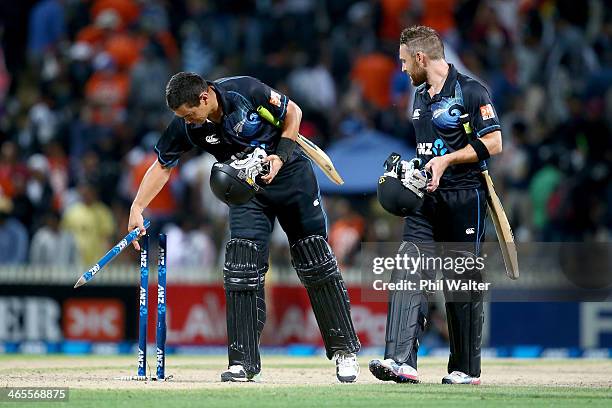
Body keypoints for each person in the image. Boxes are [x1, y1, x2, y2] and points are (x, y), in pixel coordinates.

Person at [128, 72, 361, 382]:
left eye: (190, 114)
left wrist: (280, 156)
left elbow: (293, 113)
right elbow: (163, 164)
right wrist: (137, 206)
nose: (189, 122)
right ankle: (243, 362)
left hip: (291, 177)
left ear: (204, 97)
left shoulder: (244, 90)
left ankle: (345, 352)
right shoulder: (188, 125)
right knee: (241, 265)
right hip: (248, 189)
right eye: (182, 118)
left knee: (314, 259)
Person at [369, 25, 503, 385]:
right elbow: (428, 150)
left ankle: (465, 369)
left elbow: (493, 143)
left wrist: (447, 162)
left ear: (420, 57)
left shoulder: (472, 91)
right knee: (408, 266)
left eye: (403, 61)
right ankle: (400, 361)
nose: (401, 69)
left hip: (465, 198)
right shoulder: (419, 95)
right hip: (426, 200)